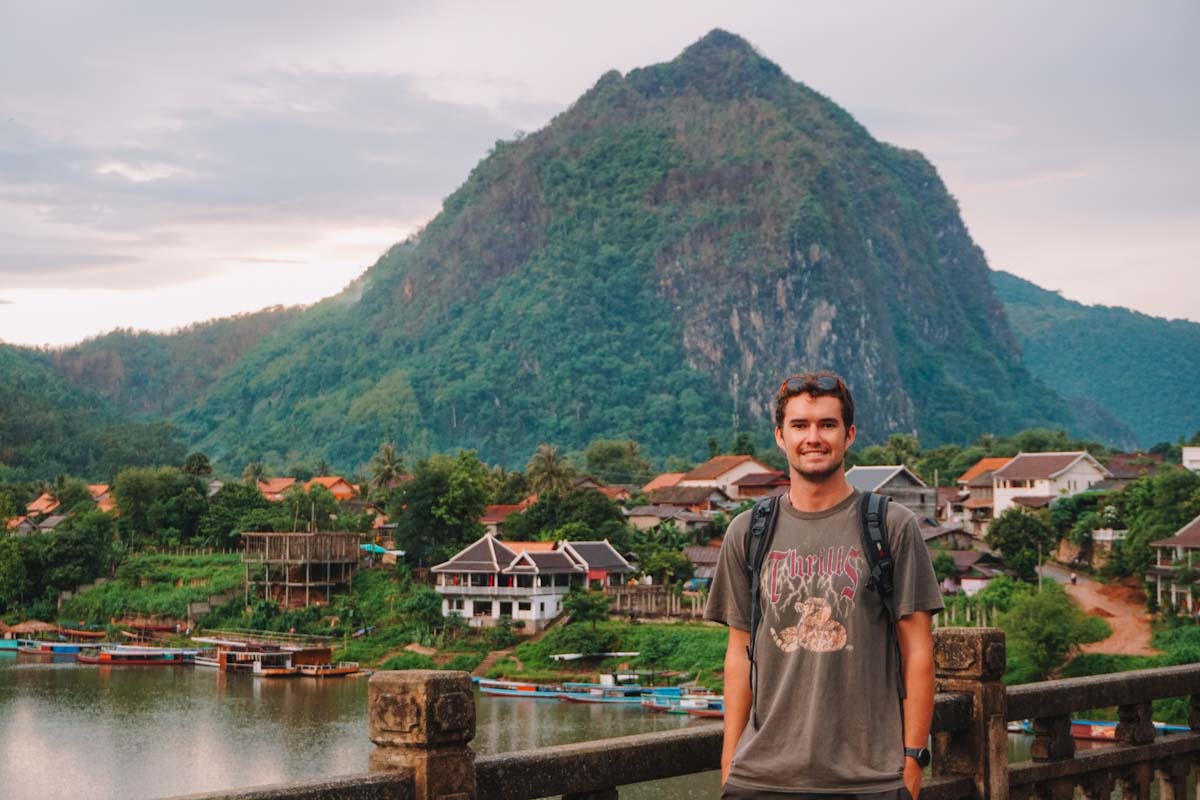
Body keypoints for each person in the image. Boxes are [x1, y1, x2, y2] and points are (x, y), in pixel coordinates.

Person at [705, 371, 944, 799]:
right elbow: (739, 656)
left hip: (867, 780)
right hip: (759, 779)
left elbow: (919, 652)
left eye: (826, 425)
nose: (813, 437)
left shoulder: (890, 526)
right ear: (780, 436)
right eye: (800, 425)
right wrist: (729, 765)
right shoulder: (749, 532)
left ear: (848, 435)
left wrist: (912, 762)